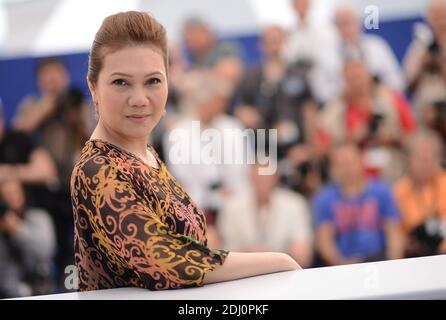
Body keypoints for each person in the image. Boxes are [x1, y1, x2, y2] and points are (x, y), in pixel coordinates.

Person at [70, 11, 300, 292]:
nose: (140, 99)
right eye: (121, 82)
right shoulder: (97, 168)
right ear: (93, 87)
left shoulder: (149, 156)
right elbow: (165, 262)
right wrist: (277, 260)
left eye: (153, 81)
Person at [313, 143, 404, 266]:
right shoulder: (325, 197)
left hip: (378, 260)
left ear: (361, 162)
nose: (347, 168)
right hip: (342, 264)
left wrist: (392, 265)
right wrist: (340, 265)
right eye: (341, 164)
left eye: (351, 162)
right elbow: (324, 241)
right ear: (333, 169)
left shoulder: (381, 191)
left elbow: (394, 233)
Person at [218, 161, 313, 268]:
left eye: (265, 176)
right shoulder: (232, 207)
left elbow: (302, 248)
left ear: (275, 177)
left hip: (283, 269)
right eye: (258, 176)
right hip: (244, 270)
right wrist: (252, 254)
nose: (262, 180)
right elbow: (227, 247)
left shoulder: (294, 204)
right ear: (250, 177)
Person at [394, 130, 446, 257]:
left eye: (431, 158)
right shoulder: (399, 191)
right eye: (421, 159)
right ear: (409, 160)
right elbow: (396, 232)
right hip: (414, 255)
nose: (426, 163)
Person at [0, 179, 56, 298]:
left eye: (14, 192)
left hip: (39, 288)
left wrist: (17, 230)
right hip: (8, 291)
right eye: (6, 194)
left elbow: (45, 252)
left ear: (23, 194)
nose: (11, 198)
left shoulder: (39, 217)